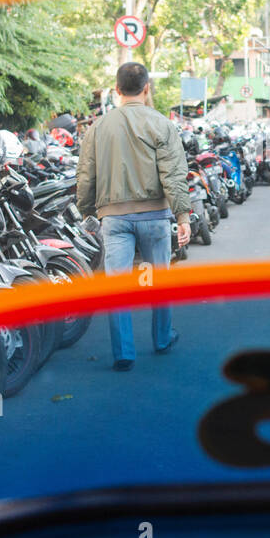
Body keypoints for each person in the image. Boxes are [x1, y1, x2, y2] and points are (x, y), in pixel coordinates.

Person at [76, 62, 191, 371]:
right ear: (146, 88)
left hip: (113, 219)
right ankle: (162, 338)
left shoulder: (98, 127)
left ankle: (124, 352)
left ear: (116, 90)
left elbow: (86, 176)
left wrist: (87, 212)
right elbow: (174, 175)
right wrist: (183, 217)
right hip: (155, 215)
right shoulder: (161, 123)